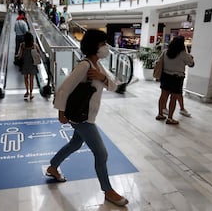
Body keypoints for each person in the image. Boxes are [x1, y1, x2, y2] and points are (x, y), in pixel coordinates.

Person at [46, 29, 129, 207]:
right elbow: (63, 88)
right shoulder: (84, 65)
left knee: (75, 144)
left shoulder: (98, 66)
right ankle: (108, 191)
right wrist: (61, 112)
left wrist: (102, 78)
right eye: (102, 44)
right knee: (101, 153)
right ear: (93, 46)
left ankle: (53, 167)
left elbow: (114, 86)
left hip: (86, 115)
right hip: (81, 118)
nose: (106, 47)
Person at [156, 36, 194, 124]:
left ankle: (160, 114)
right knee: (173, 98)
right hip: (177, 78)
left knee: (163, 96)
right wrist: (191, 58)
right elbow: (191, 64)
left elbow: (159, 62)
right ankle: (169, 118)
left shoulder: (166, 52)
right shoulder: (183, 54)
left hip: (165, 76)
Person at [16, 32, 42, 100]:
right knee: (31, 79)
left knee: (25, 78)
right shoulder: (34, 45)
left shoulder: (22, 45)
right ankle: (31, 94)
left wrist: (18, 57)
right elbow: (39, 53)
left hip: (25, 63)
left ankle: (27, 91)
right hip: (32, 64)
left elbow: (20, 55)